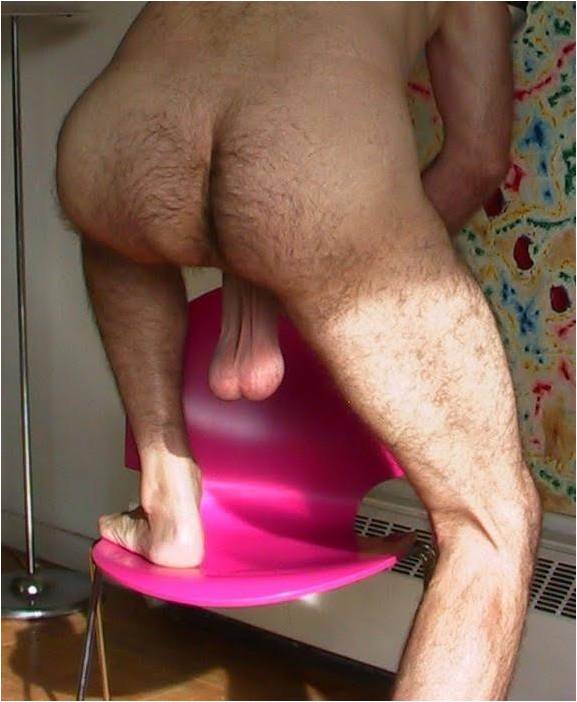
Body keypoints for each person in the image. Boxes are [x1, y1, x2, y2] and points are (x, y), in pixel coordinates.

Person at [56, 3, 541, 699]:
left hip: (117, 135)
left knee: (115, 226)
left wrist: (268, 266)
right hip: (300, 157)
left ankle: (169, 497)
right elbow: (477, 160)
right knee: (489, 526)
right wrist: (314, 267)